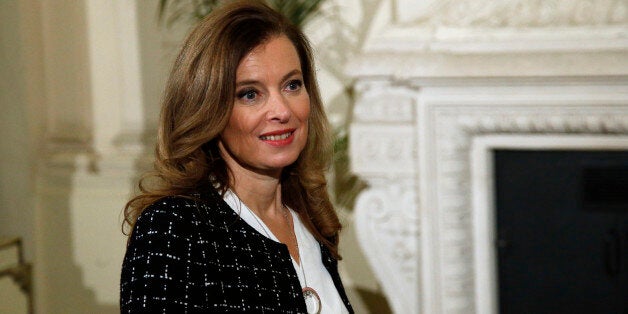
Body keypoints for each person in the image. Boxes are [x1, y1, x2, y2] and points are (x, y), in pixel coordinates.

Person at [119, 1, 353, 313]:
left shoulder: (315, 222)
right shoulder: (174, 228)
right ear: (208, 108)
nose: (282, 111)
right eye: (250, 94)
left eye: (292, 85)